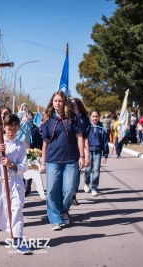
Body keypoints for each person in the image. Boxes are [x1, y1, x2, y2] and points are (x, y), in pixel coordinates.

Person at [0, 114, 31, 254]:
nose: (11, 132)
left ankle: (17, 238)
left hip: (13, 183)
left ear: (18, 129)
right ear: (3, 127)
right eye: (9, 129)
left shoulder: (20, 146)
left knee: (16, 209)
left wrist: (11, 165)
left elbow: (24, 166)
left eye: (14, 129)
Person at [40, 91, 84, 230]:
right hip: (53, 160)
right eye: (55, 101)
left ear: (64, 102)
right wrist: (42, 161)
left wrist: (82, 156)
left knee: (69, 189)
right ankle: (55, 218)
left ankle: (64, 211)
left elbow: (80, 137)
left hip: (71, 159)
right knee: (52, 190)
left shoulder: (73, 118)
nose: (58, 103)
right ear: (52, 103)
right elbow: (45, 142)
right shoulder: (48, 120)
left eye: (60, 101)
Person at [84, 110, 109, 196]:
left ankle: (94, 187)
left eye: (96, 116)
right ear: (90, 117)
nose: (94, 118)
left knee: (96, 170)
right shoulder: (87, 127)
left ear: (99, 117)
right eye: (93, 116)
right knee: (87, 169)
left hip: (98, 151)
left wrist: (105, 155)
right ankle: (86, 183)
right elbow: (83, 139)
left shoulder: (102, 128)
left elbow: (105, 142)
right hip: (88, 151)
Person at [71, 98, 90, 206]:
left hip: (79, 148)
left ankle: (73, 195)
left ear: (78, 106)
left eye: (74, 104)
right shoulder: (66, 117)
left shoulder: (84, 119)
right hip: (68, 148)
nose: (72, 106)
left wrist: (86, 154)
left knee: (76, 173)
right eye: (71, 104)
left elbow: (85, 137)